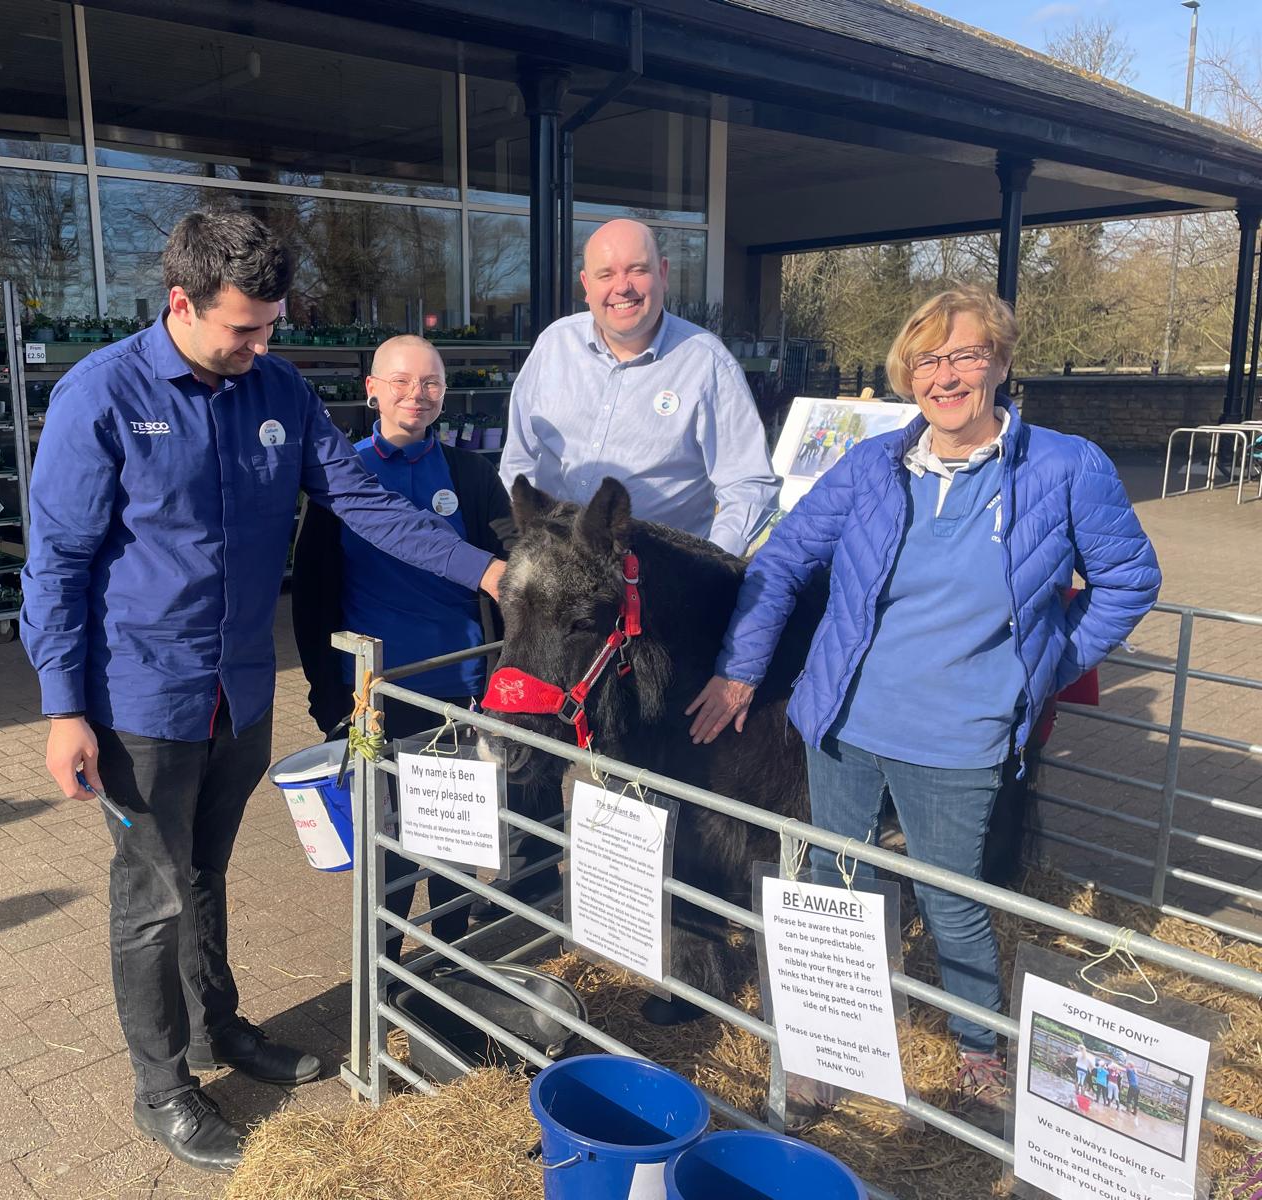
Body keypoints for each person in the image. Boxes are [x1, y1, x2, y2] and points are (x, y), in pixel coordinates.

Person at [21, 212, 506, 1173]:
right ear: (181, 305)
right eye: (243, 328)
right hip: (138, 702)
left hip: (237, 696)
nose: (261, 345)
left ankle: (218, 1030)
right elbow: (58, 562)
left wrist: (485, 573)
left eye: (271, 325)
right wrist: (62, 707)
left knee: (204, 874)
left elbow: (366, 505)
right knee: (152, 896)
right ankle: (161, 1087)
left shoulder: (276, 389)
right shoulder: (101, 399)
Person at [687, 283, 1160, 1131]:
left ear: (1002, 362)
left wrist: (1042, 667)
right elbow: (785, 557)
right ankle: (835, 1051)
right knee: (841, 889)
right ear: (908, 376)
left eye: (966, 355)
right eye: (928, 360)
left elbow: (1131, 580)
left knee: (954, 903)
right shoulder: (871, 467)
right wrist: (740, 672)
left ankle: (980, 1049)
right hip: (843, 728)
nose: (946, 376)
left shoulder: (1065, 468)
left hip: (960, 738)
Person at [292, 334, 512, 952]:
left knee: (451, 842)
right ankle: (384, 968)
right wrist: (325, 695)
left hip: (459, 691)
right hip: (375, 693)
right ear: (371, 390)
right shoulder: (341, 480)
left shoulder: (470, 474)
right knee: (383, 842)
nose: (416, 393)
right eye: (400, 380)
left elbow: (512, 570)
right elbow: (311, 600)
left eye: (430, 382)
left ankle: (449, 961)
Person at [497, 218, 779, 558]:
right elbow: (518, 460)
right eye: (606, 275)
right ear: (586, 284)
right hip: (555, 566)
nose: (622, 287)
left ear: (662, 273)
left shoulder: (706, 363)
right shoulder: (553, 346)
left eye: (637, 270)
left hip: (652, 576)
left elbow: (748, 484)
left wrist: (709, 565)